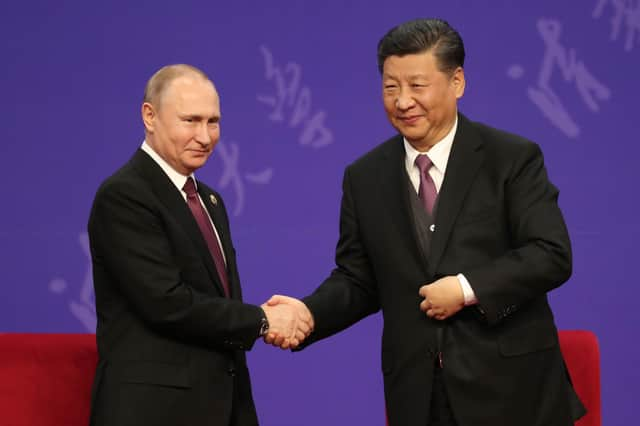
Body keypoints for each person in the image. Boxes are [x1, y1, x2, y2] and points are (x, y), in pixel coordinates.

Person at [266, 18, 585, 426]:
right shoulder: (365, 176)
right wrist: (310, 314)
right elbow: (359, 278)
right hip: (418, 397)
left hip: (514, 393)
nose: (402, 102)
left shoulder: (511, 158)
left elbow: (550, 253)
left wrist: (467, 288)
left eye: (417, 86)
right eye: (390, 87)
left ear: (457, 82)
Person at [87, 64, 312, 426]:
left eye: (213, 121)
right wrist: (263, 320)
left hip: (223, 405)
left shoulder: (209, 201)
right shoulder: (125, 195)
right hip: (153, 410)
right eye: (190, 121)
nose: (205, 136)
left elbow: (219, 304)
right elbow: (167, 303)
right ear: (150, 116)